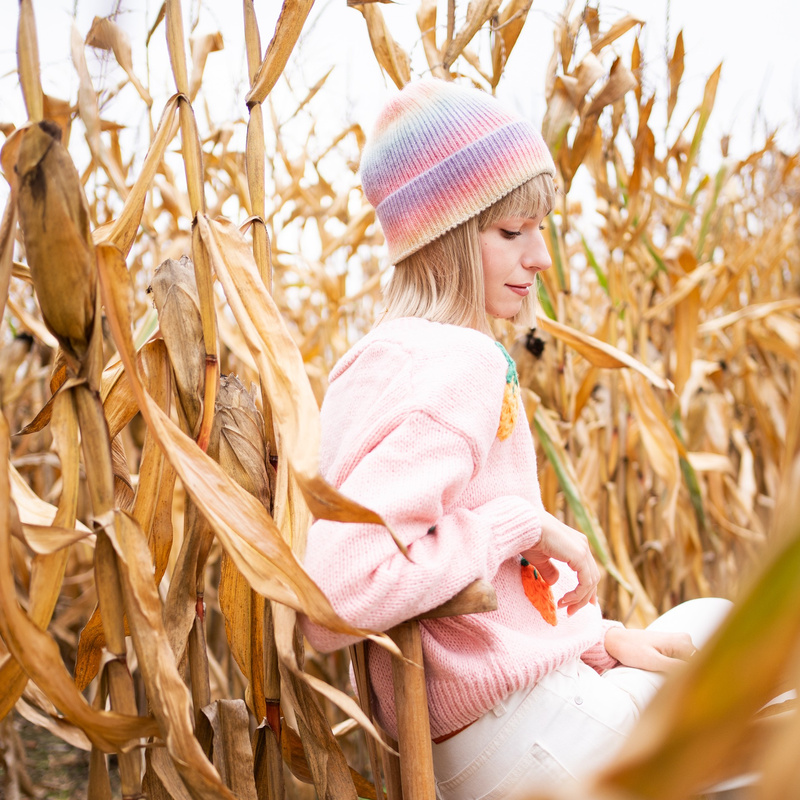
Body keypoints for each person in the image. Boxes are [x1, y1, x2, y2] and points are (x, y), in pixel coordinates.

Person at [300, 79, 731, 798]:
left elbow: (470, 575)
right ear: (444, 238)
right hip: (524, 734)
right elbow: (336, 594)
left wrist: (599, 642)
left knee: (712, 622)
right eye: (510, 232)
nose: (539, 258)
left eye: (540, 230)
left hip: (493, 731)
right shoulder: (460, 362)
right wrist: (520, 523)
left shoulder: (382, 359)